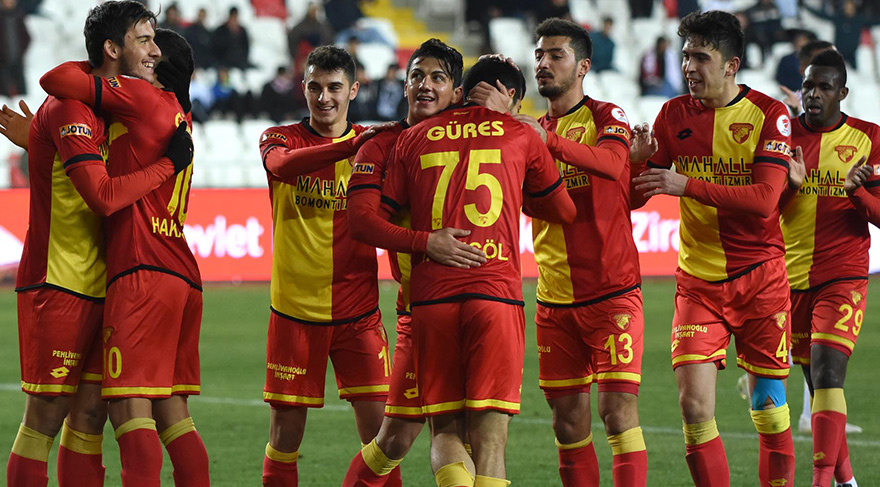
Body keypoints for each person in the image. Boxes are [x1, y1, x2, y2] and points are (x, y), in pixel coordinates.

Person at [359, 56, 576, 486]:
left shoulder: (412, 138)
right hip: (495, 295)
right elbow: (563, 211)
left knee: (444, 430)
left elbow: (375, 219)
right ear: (510, 96)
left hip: (430, 300)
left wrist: (426, 240)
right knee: (490, 443)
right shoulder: (519, 133)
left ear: (461, 91)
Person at [6, 2, 195, 486]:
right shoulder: (71, 106)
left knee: (89, 415)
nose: (155, 51)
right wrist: (168, 165)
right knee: (45, 417)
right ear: (113, 48)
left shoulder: (113, 107)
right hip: (60, 280)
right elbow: (104, 197)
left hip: (106, 283)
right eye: (144, 40)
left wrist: (40, 142)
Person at [341, 40, 521, 487]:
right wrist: (426, 243)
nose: (424, 85)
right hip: (420, 309)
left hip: (474, 299)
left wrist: (508, 117)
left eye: (437, 77)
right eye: (416, 76)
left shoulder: (484, 135)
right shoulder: (382, 145)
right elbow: (360, 222)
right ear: (404, 86)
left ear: (457, 92)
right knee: (399, 437)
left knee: (462, 431)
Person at [631, 10, 795, 487]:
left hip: (761, 279)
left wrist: (687, 185)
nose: (689, 67)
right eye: (686, 56)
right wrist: (635, 164)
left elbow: (764, 201)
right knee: (693, 408)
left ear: (731, 65)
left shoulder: (769, 114)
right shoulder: (673, 114)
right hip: (699, 284)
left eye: (701, 57)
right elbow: (635, 196)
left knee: (768, 410)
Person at [509, 17, 648, 487]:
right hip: (555, 300)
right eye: (539, 55)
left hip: (612, 294)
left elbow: (612, 163)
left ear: (583, 66)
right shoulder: (528, 133)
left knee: (617, 412)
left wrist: (547, 140)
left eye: (556, 55)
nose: (543, 63)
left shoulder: (608, 116)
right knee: (567, 424)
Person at [256, 45, 393, 486]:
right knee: (285, 438)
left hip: (358, 313)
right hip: (295, 314)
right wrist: (350, 146)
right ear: (303, 88)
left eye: (335, 87)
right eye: (315, 87)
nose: (324, 97)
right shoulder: (279, 137)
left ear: (353, 89)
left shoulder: (374, 147)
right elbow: (281, 167)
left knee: (383, 440)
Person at [779, 49, 875, 487]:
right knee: (820, 389)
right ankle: (847, 482)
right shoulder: (783, 138)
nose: (812, 94)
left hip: (844, 274)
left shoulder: (869, 138)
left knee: (828, 373)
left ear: (843, 93)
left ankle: (820, 482)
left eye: (823, 87)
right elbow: (764, 208)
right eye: (807, 86)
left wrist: (857, 193)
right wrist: (789, 187)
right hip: (793, 277)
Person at [0, 0, 30, 97]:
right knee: (4, 93)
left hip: (17, 59)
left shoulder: (19, 15)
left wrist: (21, 52)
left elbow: (27, 37)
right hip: (2, 61)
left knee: (21, 91)